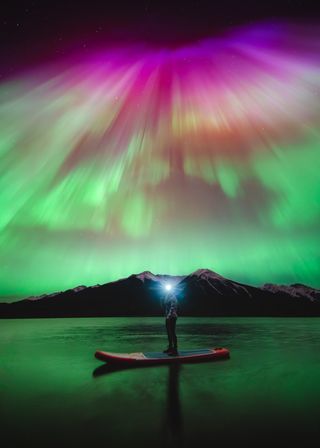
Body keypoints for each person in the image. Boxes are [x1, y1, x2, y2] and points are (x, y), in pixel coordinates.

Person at [163, 291, 178, 356]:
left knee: (172, 332)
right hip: (168, 317)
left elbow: (172, 308)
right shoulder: (167, 297)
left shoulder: (173, 298)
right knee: (169, 333)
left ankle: (175, 349)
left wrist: (168, 316)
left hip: (172, 317)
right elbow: (165, 306)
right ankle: (170, 347)